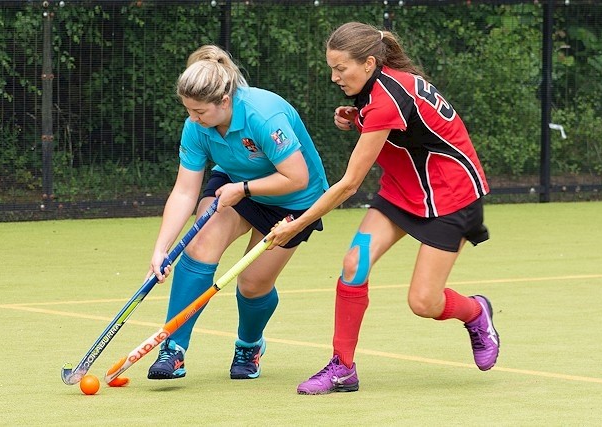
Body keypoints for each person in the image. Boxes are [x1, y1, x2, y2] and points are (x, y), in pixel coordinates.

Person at [268, 22, 500, 395]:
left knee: (423, 302)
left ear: (370, 62)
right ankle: (343, 368)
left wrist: (296, 224)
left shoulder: (387, 98)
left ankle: (476, 312)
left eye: (341, 69)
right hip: (402, 191)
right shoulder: (380, 83)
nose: (334, 77)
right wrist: (355, 118)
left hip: (451, 196)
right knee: (352, 264)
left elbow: (349, 184)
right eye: (332, 67)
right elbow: (402, 125)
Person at [146, 44, 328, 381]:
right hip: (236, 182)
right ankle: (173, 347)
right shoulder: (197, 126)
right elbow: (185, 190)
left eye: (199, 111)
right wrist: (161, 249)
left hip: (294, 199)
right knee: (201, 244)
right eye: (188, 110)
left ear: (224, 102)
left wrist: (244, 189)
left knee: (252, 284)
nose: (193, 118)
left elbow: (297, 176)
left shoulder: (263, 115)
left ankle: (249, 345)